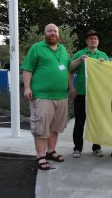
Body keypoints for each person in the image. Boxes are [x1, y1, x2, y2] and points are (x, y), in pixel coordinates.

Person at [22, 23, 71, 170]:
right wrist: (27, 87)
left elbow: (68, 68)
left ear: (58, 34)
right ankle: (41, 156)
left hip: (61, 96)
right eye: (49, 31)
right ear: (45, 33)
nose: (52, 33)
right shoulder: (36, 48)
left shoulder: (63, 50)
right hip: (43, 96)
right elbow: (27, 68)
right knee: (41, 128)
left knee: (55, 128)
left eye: (55, 31)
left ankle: (51, 151)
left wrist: (81, 60)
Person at [69, 30, 109, 158]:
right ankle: (77, 148)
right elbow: (70, 69)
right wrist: (72, 87)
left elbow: (110, 72)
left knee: (96, 121)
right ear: (86, 41)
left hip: (96, 94)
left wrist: (105, 65)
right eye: (91, 38)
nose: (93, 40)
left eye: (95, 38)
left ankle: (96, 147)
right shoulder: (80, 54)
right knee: (80, 122)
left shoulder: (103, 55)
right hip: (81, 93)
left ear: (98, 41)